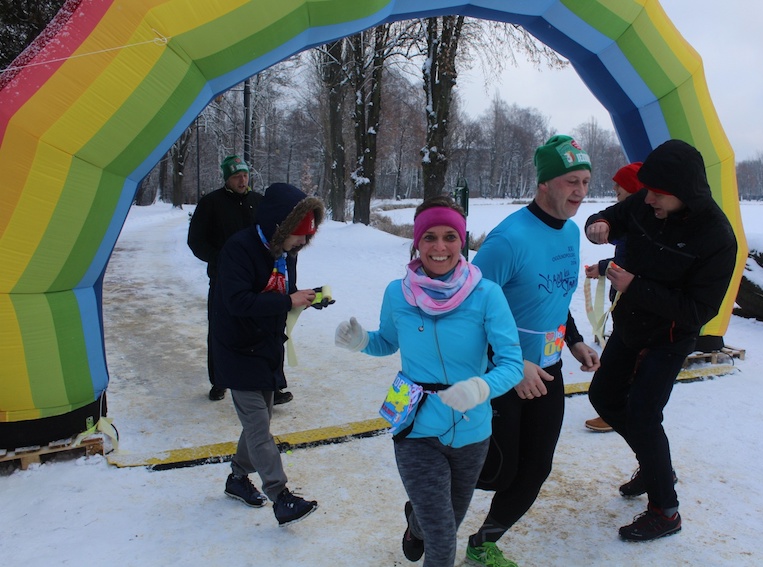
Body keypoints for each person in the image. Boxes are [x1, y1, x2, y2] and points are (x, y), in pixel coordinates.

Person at [334, 196, 523, 567]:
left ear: (462, 241)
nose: (440, 247)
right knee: (442, 536)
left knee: (445, 520)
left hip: (472, 430)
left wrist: (480, 387)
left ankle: (415, 523)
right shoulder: (397, 292)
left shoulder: (486, 294)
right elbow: (387, 341)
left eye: (450, 237)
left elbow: (512, 363)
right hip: (415, 426)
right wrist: (361, 341)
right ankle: (423, 523)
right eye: (429, 237)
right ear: (417, 242)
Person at [585, 139, 737, 541]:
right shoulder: (646, 202)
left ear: (683, 192)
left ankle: (665, 511)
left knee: (643, 413)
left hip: (669, 336)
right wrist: (600, 224)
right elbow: (613, 216)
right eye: (647, 190)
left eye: (657, 193)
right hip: (630, 325)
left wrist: (635, 286)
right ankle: (657, 468)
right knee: (603, 397)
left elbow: (699, 311)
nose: (647, 198)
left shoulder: (717, 237)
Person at [466, 135, 601, 566]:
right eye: (571, 182)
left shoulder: (571, 233)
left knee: (536, 468)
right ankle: (423, 511)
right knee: (495, 471)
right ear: (544, 183)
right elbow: (468, 311)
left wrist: (574, 339)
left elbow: (555, 298)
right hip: (502, 372)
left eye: (585, 182)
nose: (580, 192)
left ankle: (483, 543)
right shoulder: (508, 240)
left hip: (548, 369)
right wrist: (514, 363)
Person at [211, 182, 322, 526]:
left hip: (267, 347)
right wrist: (287, 300)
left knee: (259, 422)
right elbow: (238, 302)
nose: (301, 243)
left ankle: (237, 477)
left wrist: (307, 298)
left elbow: (284, 294)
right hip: (237, 348)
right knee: (259, 427)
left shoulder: (286, 253)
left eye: (306, 237)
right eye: (299, 236)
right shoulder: (239, 249)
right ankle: (280, 495)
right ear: (280, 228)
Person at [188, 155, 292, 404]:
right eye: (236, 176)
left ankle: (272, 385)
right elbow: (196, 241)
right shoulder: (211, 203)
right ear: (227, 178)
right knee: (221, 332)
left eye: (245, 175)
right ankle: (219, 380)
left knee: (268, 332)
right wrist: (221, 259)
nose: (242, 180)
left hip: (262, 280)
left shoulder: (259, 202)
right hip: (225, 281)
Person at [583, 161, 642, 433]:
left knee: (628, 364)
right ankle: (616, 408)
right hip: (624, 305)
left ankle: (618, 412)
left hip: (638, 308)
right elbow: (625, 256)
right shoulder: (627, 218)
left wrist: (609, 268)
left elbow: (635, 262)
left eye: (621, 184)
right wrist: (604, 266)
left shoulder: (642, 225)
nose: (615, 188)